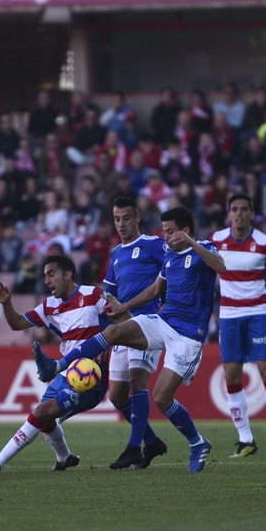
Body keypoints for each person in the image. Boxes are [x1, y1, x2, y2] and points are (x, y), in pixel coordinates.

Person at [55, 207, 226, 473]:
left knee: (161, 398)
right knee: (113, 333)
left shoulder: (203, 247)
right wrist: (124, 307)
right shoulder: (169, 255)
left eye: (170, 232)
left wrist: (191, 243)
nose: (166, 237)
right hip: (164, 322)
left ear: (186, 230)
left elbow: (222, 267)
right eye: (164, 231)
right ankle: (59, 364)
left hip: (188, 335)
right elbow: (156, 289)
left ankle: (197, 442)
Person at [0, 254, 106, 474]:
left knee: (41, 412)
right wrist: (7, 304)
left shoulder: (93, 295)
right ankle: (64, 458)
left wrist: (113, 349)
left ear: (68, 275)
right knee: (45, 420)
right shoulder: (50, 306)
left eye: (51, 274)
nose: (47, 280)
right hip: (67, 373)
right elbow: (17, 323)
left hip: (89, 377)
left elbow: (121, 318)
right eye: (45, 276)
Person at [211, 191, 266, 457]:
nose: (238, 213)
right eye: (234, 209)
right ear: (229, 213)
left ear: (251, 213)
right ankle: (246, 440)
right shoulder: (216, 241)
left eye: (243, 209)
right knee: (231, 376)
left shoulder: (265, 242)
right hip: (229, 317)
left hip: (258, 314)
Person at [94, 193, 167, 469]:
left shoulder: (153, 245)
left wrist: (167, 306)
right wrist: (102, 340)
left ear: (137, 217)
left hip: (147, 325)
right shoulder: (115, 254)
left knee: (138, 381)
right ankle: (152, 442)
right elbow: (108, 301)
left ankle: (134, 448)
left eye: (126, 218)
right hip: (121, 329)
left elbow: (173, 273)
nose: (121, 224)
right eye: (116, 219)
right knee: (116, 396)